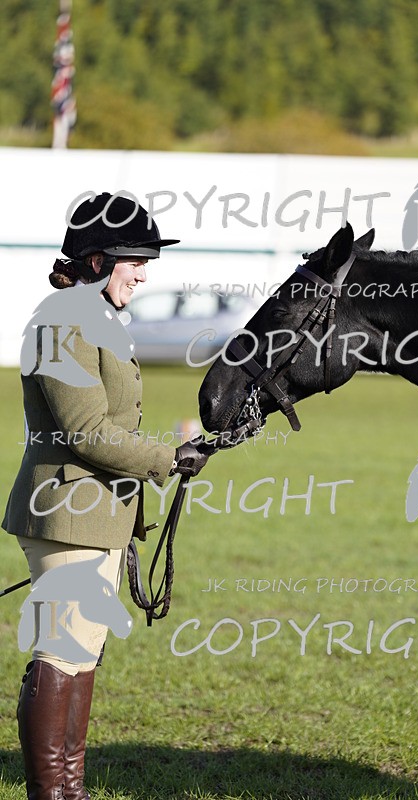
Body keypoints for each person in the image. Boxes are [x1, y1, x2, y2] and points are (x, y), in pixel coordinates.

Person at [2, 192, 209, 800]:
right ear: (97, 261)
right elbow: (86, 431)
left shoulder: (88, 315)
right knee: (63, 652)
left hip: (94, 513)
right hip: (67, 512)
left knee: (79, 653)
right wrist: (165, 458)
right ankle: (54, 792)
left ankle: (70, 789)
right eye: (134, 260)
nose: (144, 273)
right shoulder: (64, 318)